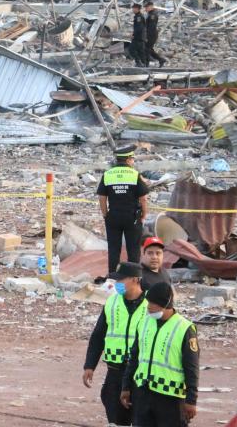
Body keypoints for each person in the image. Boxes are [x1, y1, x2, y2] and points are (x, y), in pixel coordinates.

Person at [122, 282, 199, 427]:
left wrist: (191, 400)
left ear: (166, 304)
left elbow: (192, 368)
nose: (149, 307)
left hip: (170, 398)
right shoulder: (144, 323)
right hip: (143, 392)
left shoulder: (184, 329)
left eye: (153, 303)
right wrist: (126, 387)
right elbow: (134, 358)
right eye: (148, 302)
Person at [83, 262, 148, 426]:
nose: (116, 284)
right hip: (115, 370)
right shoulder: (112, 303)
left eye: (121, 280)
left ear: (135, 280)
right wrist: (89, 365)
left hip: (140, 373)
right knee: (116, 416)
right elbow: (99, 335)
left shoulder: (151, 305)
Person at [97, 145, 149, 275]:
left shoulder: (107, 174)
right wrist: (144, 215)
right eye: (132, 159)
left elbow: (102, 198)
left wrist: (105, 214)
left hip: (113, 216)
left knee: (114, 248)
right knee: (133, 249)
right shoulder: (135, 174)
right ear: (127, 160)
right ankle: (134, 277)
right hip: (132, 217)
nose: (133, 162)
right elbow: (144, 199)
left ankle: (112, 276)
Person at [144, 0, 168, 68]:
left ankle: (146, 64)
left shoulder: (153, 15)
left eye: (146, 7)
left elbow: (151, 27)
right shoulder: (150, 14)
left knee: (146, 49)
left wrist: (147, 36)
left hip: (151, 34)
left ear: (151, 7)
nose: (145, 9)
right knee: (149, 49)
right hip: (151, 34)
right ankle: (161, 60)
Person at [129, 3, 148, 67]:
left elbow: (139, 28)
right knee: (141, 51)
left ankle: (139, 62)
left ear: (137, 9)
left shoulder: (139, 17)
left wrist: (133, 35)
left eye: (134, 8)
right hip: (141, 37)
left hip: (138, 37)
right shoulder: (138, 16)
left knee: (131, 49)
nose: (133, 10)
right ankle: (144, 64)